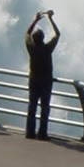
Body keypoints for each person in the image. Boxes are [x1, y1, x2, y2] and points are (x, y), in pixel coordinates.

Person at [25, 9, 59, 140]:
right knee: (45, 108)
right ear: (43, 38)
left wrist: (35, 20)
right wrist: (51, 18)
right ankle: (42, 134)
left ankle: (30, 133)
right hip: (46, 81)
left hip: (33, 80)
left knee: (32, 106)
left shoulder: (31, 47)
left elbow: (27, 33)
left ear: (34, 39)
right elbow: (57, 34)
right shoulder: (47, 48)